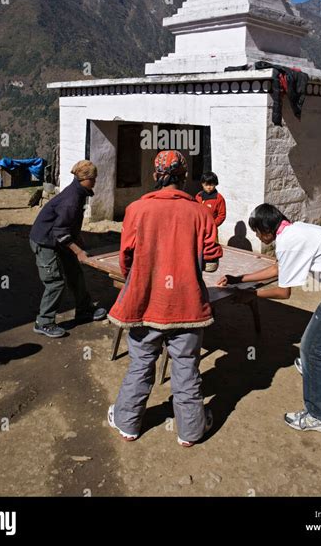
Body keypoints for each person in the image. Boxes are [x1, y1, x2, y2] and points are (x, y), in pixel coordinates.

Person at [217, 203, 321, 433]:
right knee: (320, 344)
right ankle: (314, 368)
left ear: (266, 230)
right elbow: (279, 269)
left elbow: (283, 292)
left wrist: (251, 295)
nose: (256, 236)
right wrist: (239, 278)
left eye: (256, 232)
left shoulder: (289, 242)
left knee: (310, 349)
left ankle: (320, 416)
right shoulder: (293, 231)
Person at [107, 150, 223, 447]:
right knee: (186, 366)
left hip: (146, 302)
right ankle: (191, 431)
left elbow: (126, 261)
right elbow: (211, 263)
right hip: (187, 303)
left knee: (141, 363)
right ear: (185, 177)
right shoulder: (200, 212)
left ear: (156, 176)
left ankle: (127, 424)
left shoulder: (136, 210)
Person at [29, 160, 107, 338]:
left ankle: (84, 309)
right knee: (55, 282)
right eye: (93, 178)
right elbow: (60, 232)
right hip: (45, 241)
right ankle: (44, 322)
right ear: (85, 179)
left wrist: (79, 244)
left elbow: (69, 227)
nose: (95, 182)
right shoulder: (71, 199)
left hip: (58, 240)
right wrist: (78, 251)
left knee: (75, 273)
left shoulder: (78, 193)